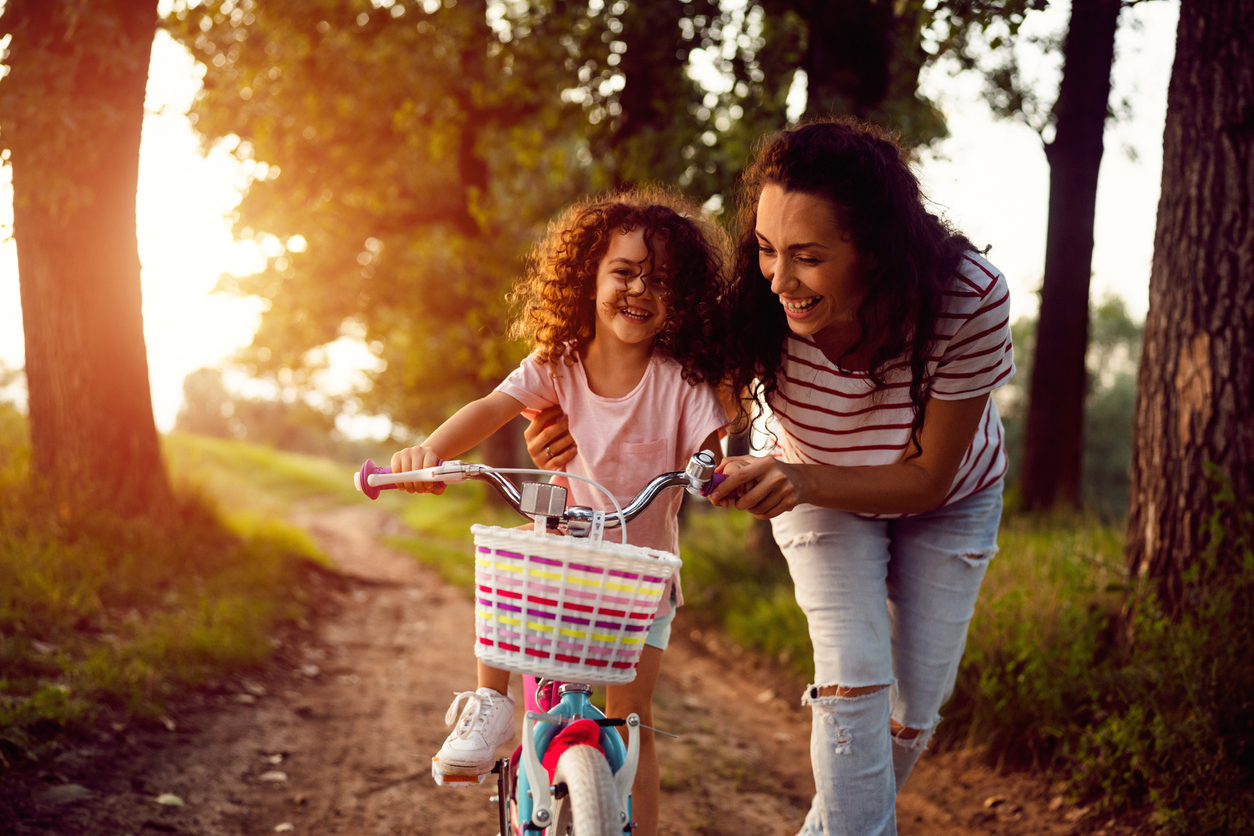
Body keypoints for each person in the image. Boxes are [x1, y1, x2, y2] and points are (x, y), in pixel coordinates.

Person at [704, 118, 1015, 835]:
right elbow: (688, 393)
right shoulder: (754, 300)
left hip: (948, 498)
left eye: (808, 256)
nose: (780, 279)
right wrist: (569, 414)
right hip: (812, 481)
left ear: (874, 250)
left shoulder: (969, 298)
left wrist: (801, 482)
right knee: (854, 683)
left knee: (909, 715)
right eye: (767, 249)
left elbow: (930, 477)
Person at [390, 189, 729, 836]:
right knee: (514, 553)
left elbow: (714, 453)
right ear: (589, 278)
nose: (639, 289)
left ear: (678, 299)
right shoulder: (560, 365)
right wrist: (430, 452)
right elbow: (491, 408)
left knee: (634, 723)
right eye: (623, 271)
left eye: (660, 280)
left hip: (639, 580)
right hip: (562, 565)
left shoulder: (681, 382)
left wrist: (723, 476)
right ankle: (492, 700)